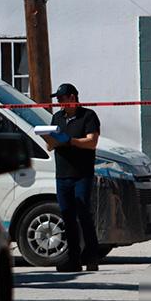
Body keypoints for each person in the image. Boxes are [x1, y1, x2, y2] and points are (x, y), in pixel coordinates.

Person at [42, 83, 101, 272]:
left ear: (73, 98)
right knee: (67, 217)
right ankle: (73, 259)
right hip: (62, 174)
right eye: (58, 100)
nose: (60, 104)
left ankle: (92, 258)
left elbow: (92, 142)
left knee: (84, 214)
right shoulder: (57, 118)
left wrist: (70, 141)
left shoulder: (88, 116)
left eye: (62, 99)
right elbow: (51, 144)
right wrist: (51, 143)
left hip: (82, 174)